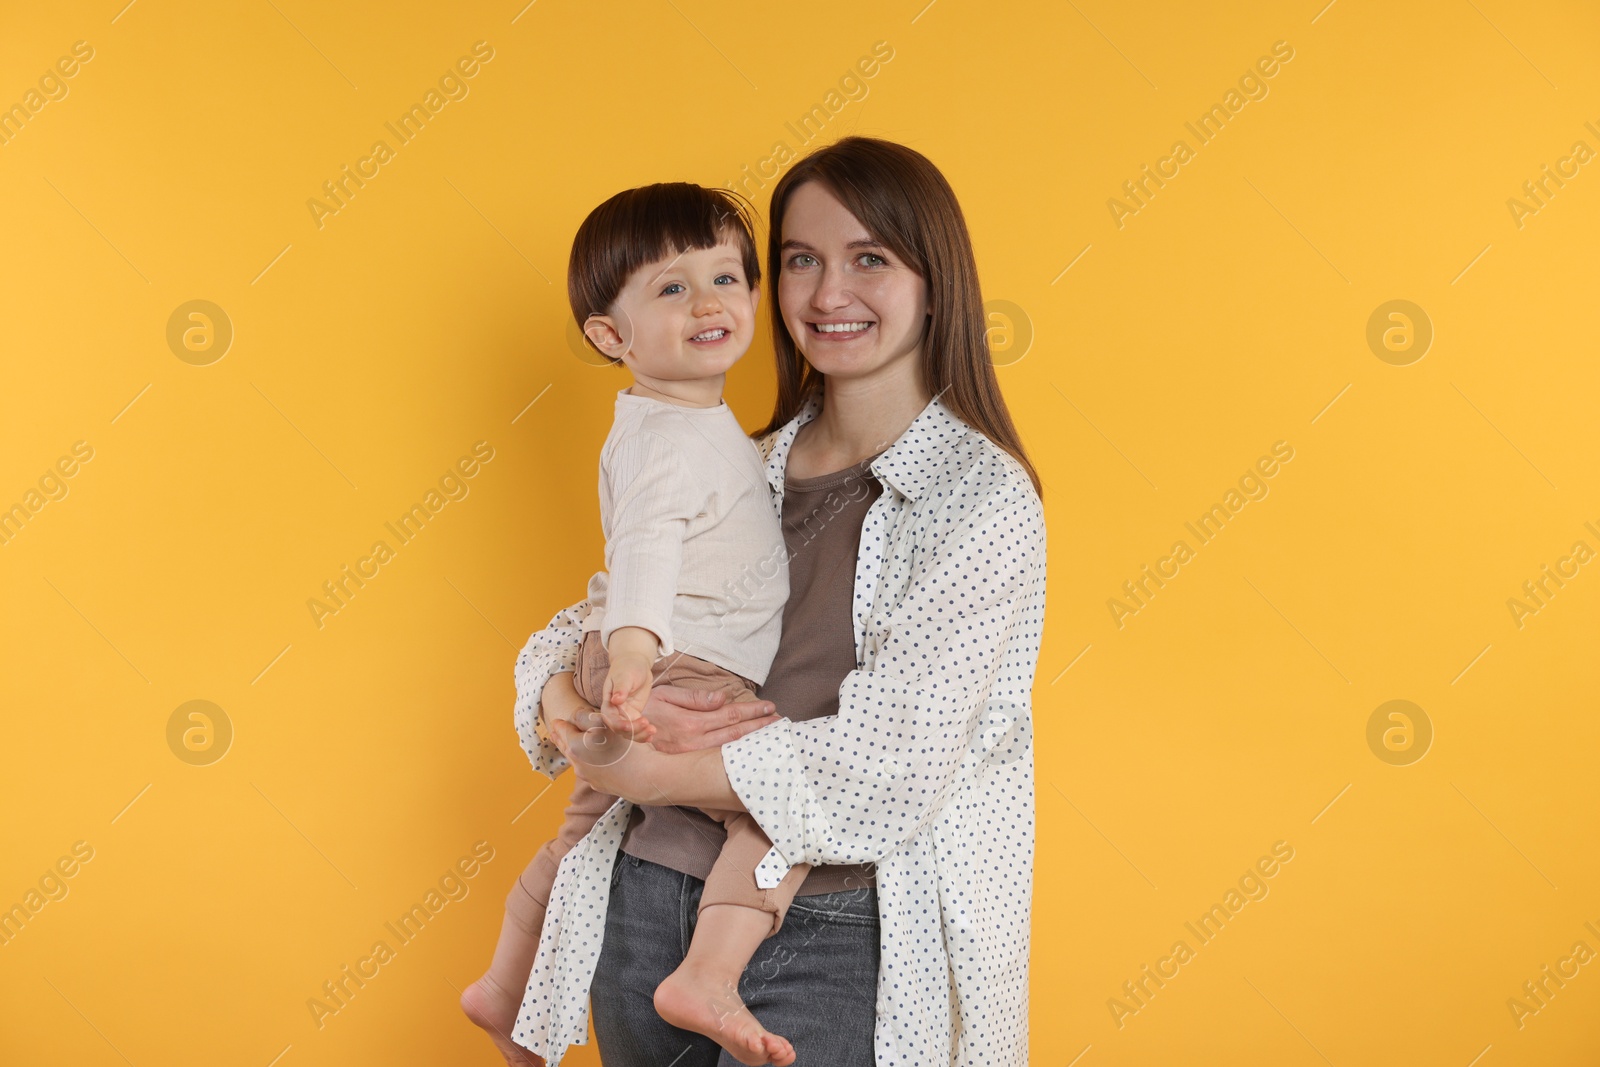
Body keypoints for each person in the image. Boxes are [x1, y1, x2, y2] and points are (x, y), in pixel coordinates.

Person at [512, 136, 1047, 1067]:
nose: (830, 294)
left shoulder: (982, 500)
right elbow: (594, 616)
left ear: (935, 280)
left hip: (846, 928)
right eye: (802, 260)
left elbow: (892, 764)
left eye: (870, 258)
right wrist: (562, 708)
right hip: (643, 897)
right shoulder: (736, 460)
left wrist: (635, 769)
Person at [461, 182, 816, 1066]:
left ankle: (506, 985)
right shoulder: (674, 438)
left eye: (728, 276)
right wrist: (633, 653)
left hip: (648, 655)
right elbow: (647, 546)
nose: (710, 302)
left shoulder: (680, 421)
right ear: (610, 337)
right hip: (681, 665)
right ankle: (708, 973)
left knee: (584, 832)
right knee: (788, 812)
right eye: (671, 288)